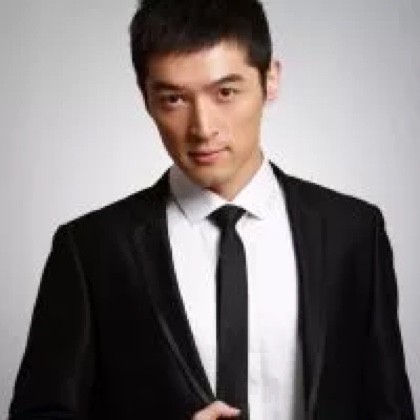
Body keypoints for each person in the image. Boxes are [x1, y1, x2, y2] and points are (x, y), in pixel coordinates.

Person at [9, 0, 415, 419]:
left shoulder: (353, 233)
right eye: (173, 99)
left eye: (225, 92)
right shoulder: (91, 250)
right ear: (145, 98)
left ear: (270, 79)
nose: (203, 128)